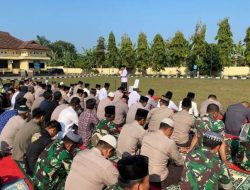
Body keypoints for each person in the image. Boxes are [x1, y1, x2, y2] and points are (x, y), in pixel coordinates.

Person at [141, 118, 184, 188]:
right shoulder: (170, 142)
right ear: (170, 129)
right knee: (180, 167)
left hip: (144, 176)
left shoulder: (147, 135)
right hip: (159, 180)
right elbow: (180, 162)